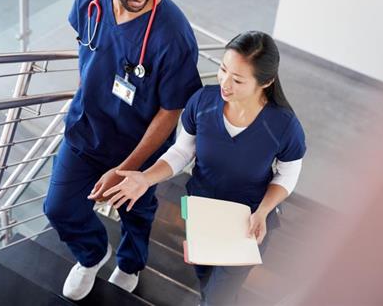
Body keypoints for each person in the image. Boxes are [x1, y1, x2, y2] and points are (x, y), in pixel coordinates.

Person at [43, 0, 202, 300]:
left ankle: (130, 263)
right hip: (85, 130)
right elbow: (86, 47)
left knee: (137, 212)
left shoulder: (173, 34)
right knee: (58, 207)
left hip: (139, 147)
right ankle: (93, 254)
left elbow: (171, 110)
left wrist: (128, 168)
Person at [104, 31, 307, 305]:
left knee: (218, 296)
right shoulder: (202, 102)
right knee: (204, 276)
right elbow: (182, 151)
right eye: (223, 69)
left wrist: (264, 211)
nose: (225, 82)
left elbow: (288, 173)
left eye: (237, 79)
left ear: (266, 82)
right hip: (202, 212)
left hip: (248, 222)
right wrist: (145, 178)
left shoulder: (284, 126)